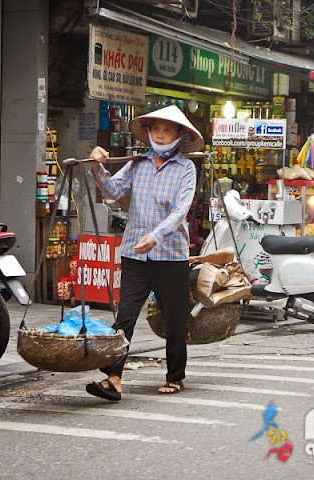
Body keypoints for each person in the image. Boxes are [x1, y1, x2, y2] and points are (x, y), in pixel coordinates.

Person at [84, 105, 203, 400]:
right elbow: (112, 189)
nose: (160, 135)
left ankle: (175, 376)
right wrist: (98, 165)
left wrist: (156, 236)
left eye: (167, 130)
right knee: (125, 317)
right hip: (135, 254)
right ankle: (113, 378)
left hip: (171, 256)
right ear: (148, 132)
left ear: (179, 135)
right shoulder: (138, 163)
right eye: (156, 129)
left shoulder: (186, 168)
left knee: (174, 319)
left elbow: (180, 211)